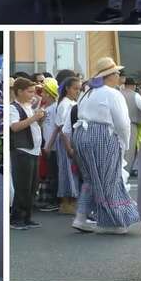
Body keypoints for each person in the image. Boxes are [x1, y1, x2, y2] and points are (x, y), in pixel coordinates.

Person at [71, 57, 140, 234]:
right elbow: (123, 123)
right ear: (110, 75)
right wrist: (124, 144)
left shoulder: (87, 92)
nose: (119, 75)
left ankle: (81, 217)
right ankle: (114, 222)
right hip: (101, 135)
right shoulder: (113, 93)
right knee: (110, 178)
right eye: (117, 72)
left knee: (90, 178)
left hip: (81, 134)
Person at [9, 77, 45, 230]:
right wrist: (34, 118)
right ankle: (17, 218)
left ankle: (27, 217)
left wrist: (39, 119)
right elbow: (15, 127)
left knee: (32, 186)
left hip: (34, 149)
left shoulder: (29, 106)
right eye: (29, 91)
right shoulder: (13, 108)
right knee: (22, 186)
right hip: (22, 150)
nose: (33, 94)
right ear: (19, 91)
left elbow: (33, 124)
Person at [54, 76, 82, 215]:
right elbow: (62, 129)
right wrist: (68, 147)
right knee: (67, 172)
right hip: (66, 142)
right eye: (75, 88)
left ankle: (72, 202)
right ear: (67, 88)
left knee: (73, 172)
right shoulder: (64, 104)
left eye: (79, 89)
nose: (78, 91)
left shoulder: (72, 103)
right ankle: (65, 203)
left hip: (72, 141)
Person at [37, 78, 60, 212]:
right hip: (47, 143)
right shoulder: (46, 108)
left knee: (53, 173)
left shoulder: (55, 107)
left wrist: (49, 145)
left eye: (45, 92)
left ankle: (54, 201)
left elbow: (57, 128)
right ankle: (50, 199)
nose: (42, 95)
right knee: (49, 173)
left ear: (50, 93)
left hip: (53, 145)